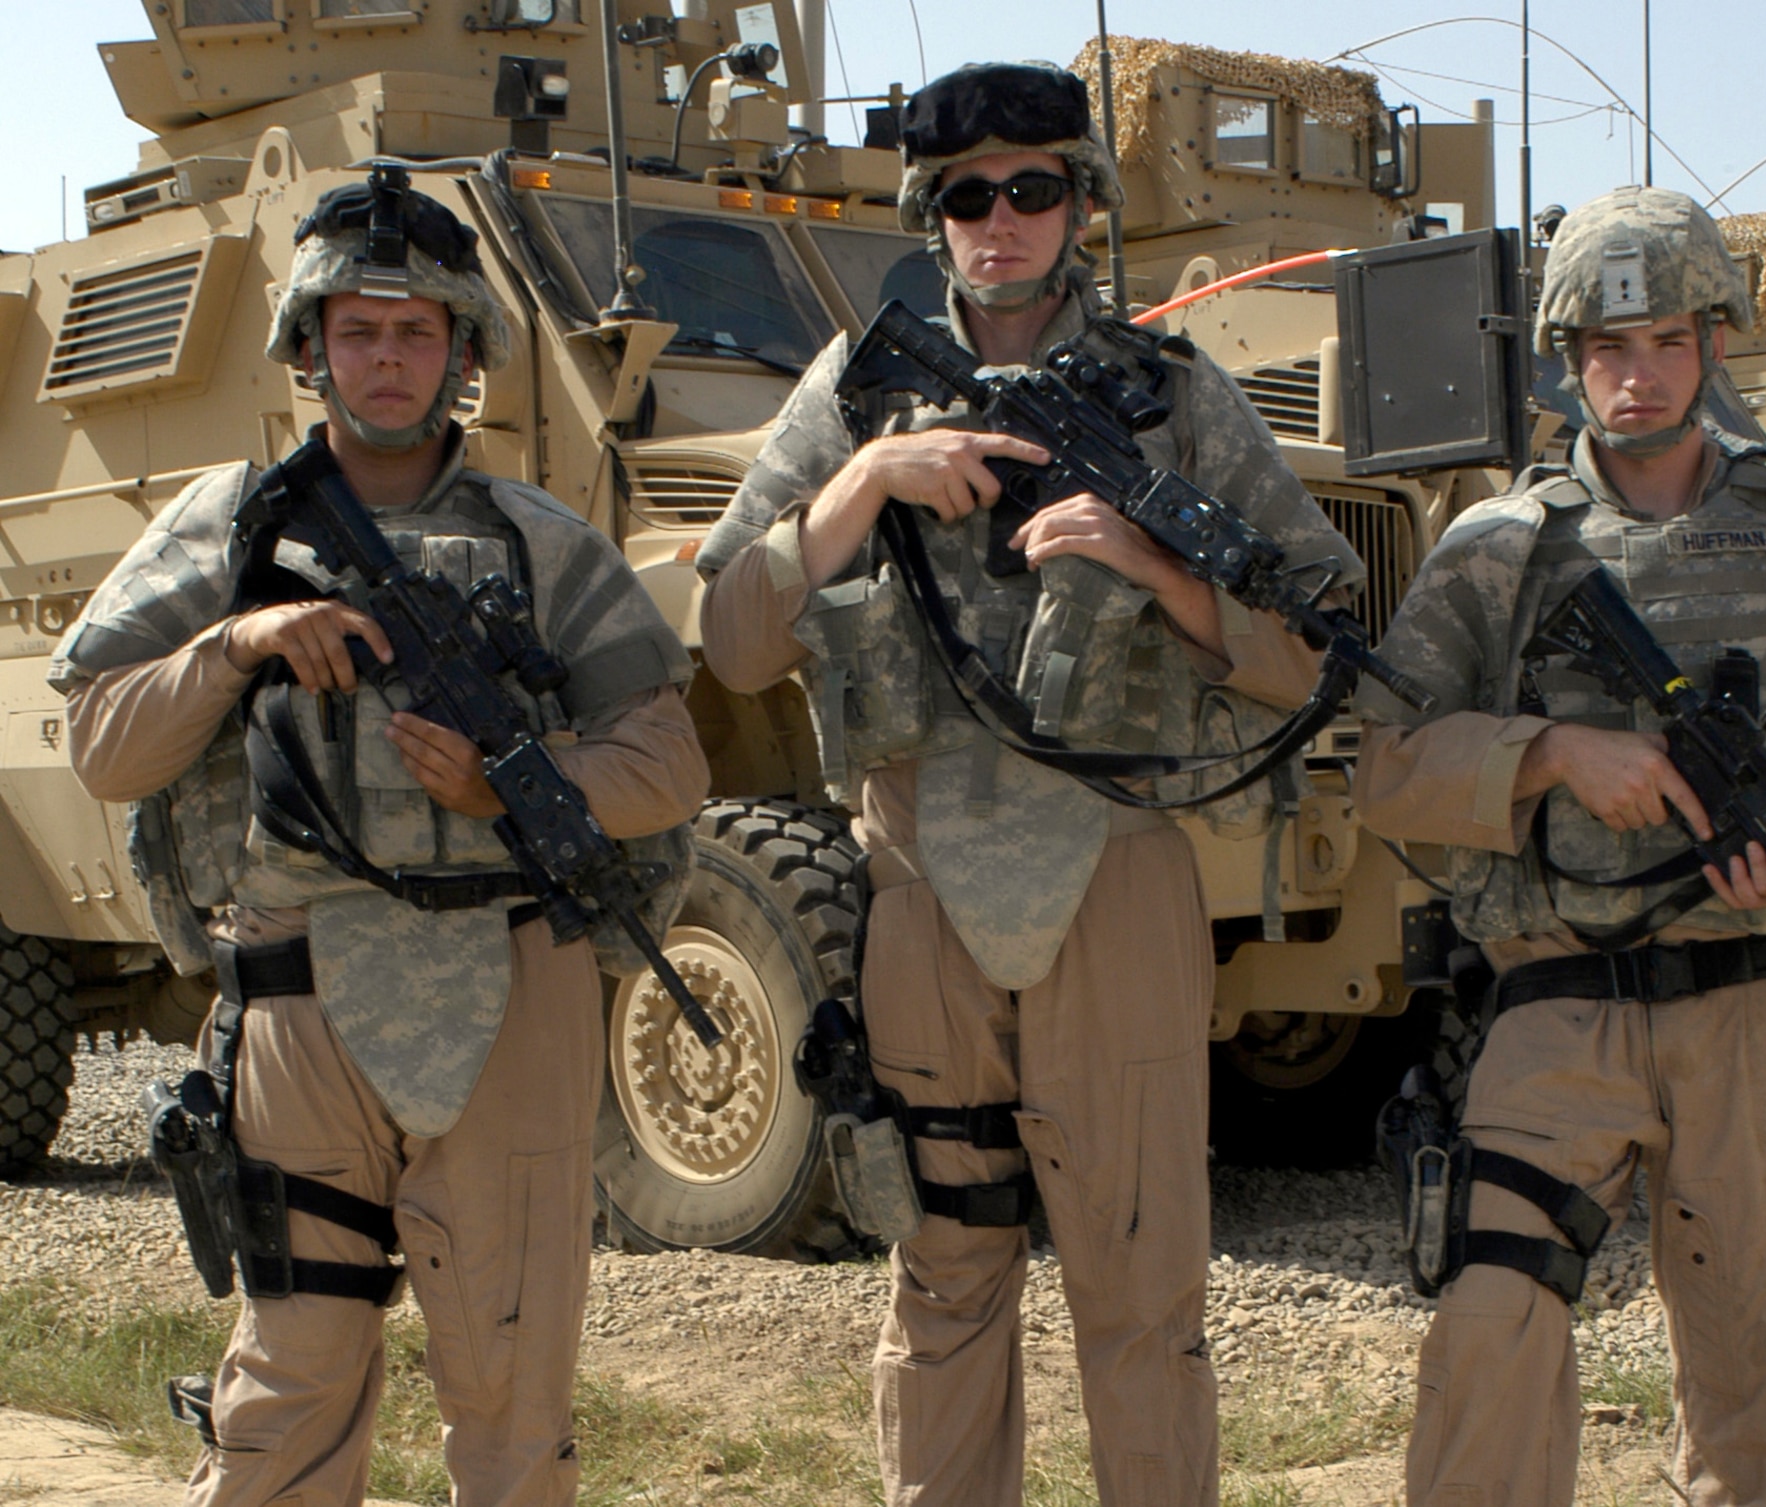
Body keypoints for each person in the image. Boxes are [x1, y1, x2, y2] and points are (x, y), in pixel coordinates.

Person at [695, 60, 1362, 1507]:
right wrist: (863, 483)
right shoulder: (853, 389)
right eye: (965, 197)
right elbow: (732, 637)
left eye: (1032, 191)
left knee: (1141, 1296)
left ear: (1082, 204)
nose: (999, 224)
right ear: (930, 216)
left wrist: (1152, 567)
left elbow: (1316, 646)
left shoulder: (1172, 398)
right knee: (945, 1279)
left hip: (1114, 874)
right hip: (920, 883)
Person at [52, 169, 709, 1507]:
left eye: (419, 333)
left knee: (513, 1396)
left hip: (510, 985)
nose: (389, 359)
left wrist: (511, 785)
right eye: (359, 329)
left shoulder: (541, 544)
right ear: (309, 346)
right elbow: (106, 746)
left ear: (465, 353)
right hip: (302, 1002)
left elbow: (670, 766)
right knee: (289, 1385)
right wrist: (237, 642)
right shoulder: (229, 531)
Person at [1352, 185, 1766, 1507]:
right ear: (1568, 355)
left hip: (1750, 1013)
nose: (1635, 377)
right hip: (1553, 1006)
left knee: (1754, 1389)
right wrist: (1546, 754)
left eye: (1665, 345)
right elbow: (1386, 767)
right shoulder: (1497, 554)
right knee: (1491, 1340)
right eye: (1604, 347)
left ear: (1714, 345)